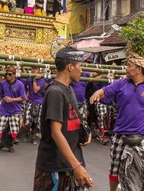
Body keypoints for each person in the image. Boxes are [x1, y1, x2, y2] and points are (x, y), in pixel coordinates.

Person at [89, 54, 144, 191]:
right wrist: (97, 94)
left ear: (139, 69)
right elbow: (104, 91)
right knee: (115, 169)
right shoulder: (121, 83)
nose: (126, 68)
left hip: (143, 136)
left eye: (129, 66)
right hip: (120, 134)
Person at [33, 47, 92, 191]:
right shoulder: (55, 92)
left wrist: (85, 133)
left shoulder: (69, 89)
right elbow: (56, 132)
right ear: (70, 67)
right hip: (54, 166)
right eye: (80, 66)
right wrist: (76, 166)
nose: (81, 70)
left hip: (71, 162)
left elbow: (72, 120)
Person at [0, 66, 26, 153]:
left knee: (14, 129)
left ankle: (11, 144)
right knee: (2, 127)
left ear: (14, 75)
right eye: (6, 74)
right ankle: (3, 142)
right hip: (4, 109)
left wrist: (12, 99)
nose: (7, 76)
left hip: (15, 110)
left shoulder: (20, 84)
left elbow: (23, 97)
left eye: (10, 74)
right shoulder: (3, 83)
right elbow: (0, 95)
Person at [24, 70, 46, 145]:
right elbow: (29, 89)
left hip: (39, 102)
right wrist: (26, 96)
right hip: (30, 101)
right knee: (28, 119)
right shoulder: (30, 79)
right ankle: (28, 134)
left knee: (36, 121)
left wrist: (34, 80)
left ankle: (33, 137)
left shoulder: (42, 80)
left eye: (36, 70)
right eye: (33, 69)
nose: (34, 71)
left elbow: (36, 90)